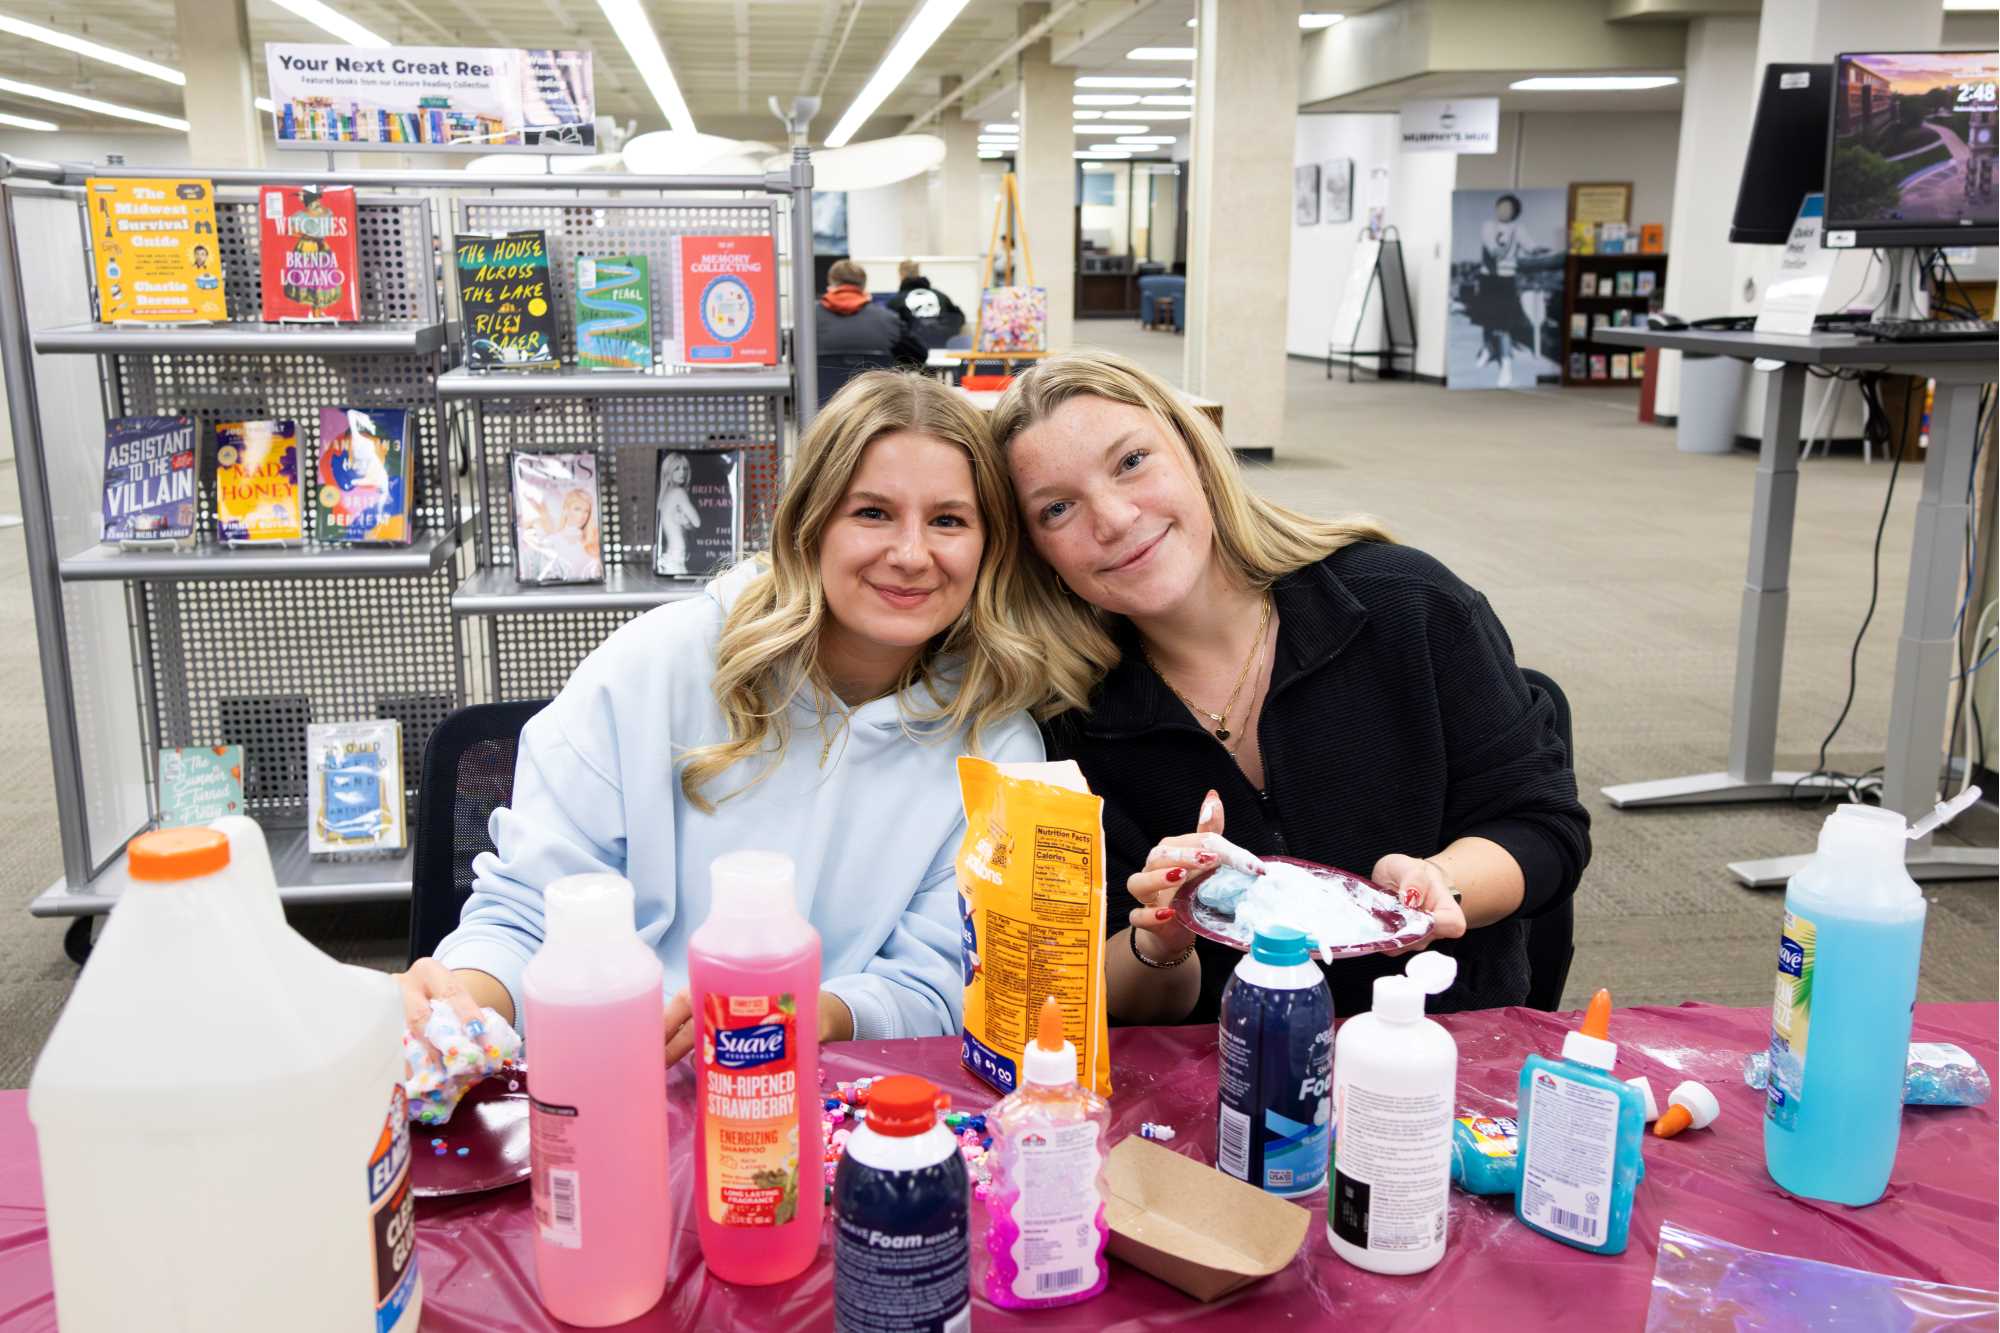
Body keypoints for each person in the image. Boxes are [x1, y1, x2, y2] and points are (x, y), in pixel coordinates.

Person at [399, 372, 1051, 1059]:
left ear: (990, 547)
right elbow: (530, 913)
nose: (913, 553)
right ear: (809, 523)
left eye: (948, 520)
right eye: (872, 512)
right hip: (613, 1070)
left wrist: (800, 1016)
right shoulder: (655, 665)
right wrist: (457, 999)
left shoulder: (998, 745)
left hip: (829, 1095)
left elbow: (945, 982)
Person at [988, 350, 1590, 1024]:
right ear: (1035, 550)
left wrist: (1443, 880)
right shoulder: (1066, 722)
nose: (1114, 518)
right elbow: (1108, 995)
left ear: (1196, 450)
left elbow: (1543, 825)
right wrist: (1160, 940)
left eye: (1131, 462)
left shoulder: (1406, 607)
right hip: (1227, 1076)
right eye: (1057, 508)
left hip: (1441, 1053)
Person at [1464, 194, 1552, 388]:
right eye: (1500, 206)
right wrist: (1498, 250)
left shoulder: (1519, 229)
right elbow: (1491, 246)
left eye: (1507, 208)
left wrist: (1538, 250)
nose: (1503, 210)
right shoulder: (1488, 225)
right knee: (1486, 320)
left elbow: (1529, 245)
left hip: (1506, 280)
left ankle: (1506, 365)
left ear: (1514, 212)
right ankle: (1487, 350)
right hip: (1488, 278)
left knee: (1503, 325)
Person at [817, 259, 927, 372]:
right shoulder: (889, 320)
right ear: (864, 285)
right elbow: (920, 356)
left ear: (830, 282)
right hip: (875, 389)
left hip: (820, 389)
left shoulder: (809, 321)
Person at [887, 259, 966, 348]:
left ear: (901, 275)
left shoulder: (897, 300)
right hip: (942, 350)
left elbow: (888, 326)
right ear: (918, 272)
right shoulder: (940, 296)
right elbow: (959, 317)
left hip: (912, 352)